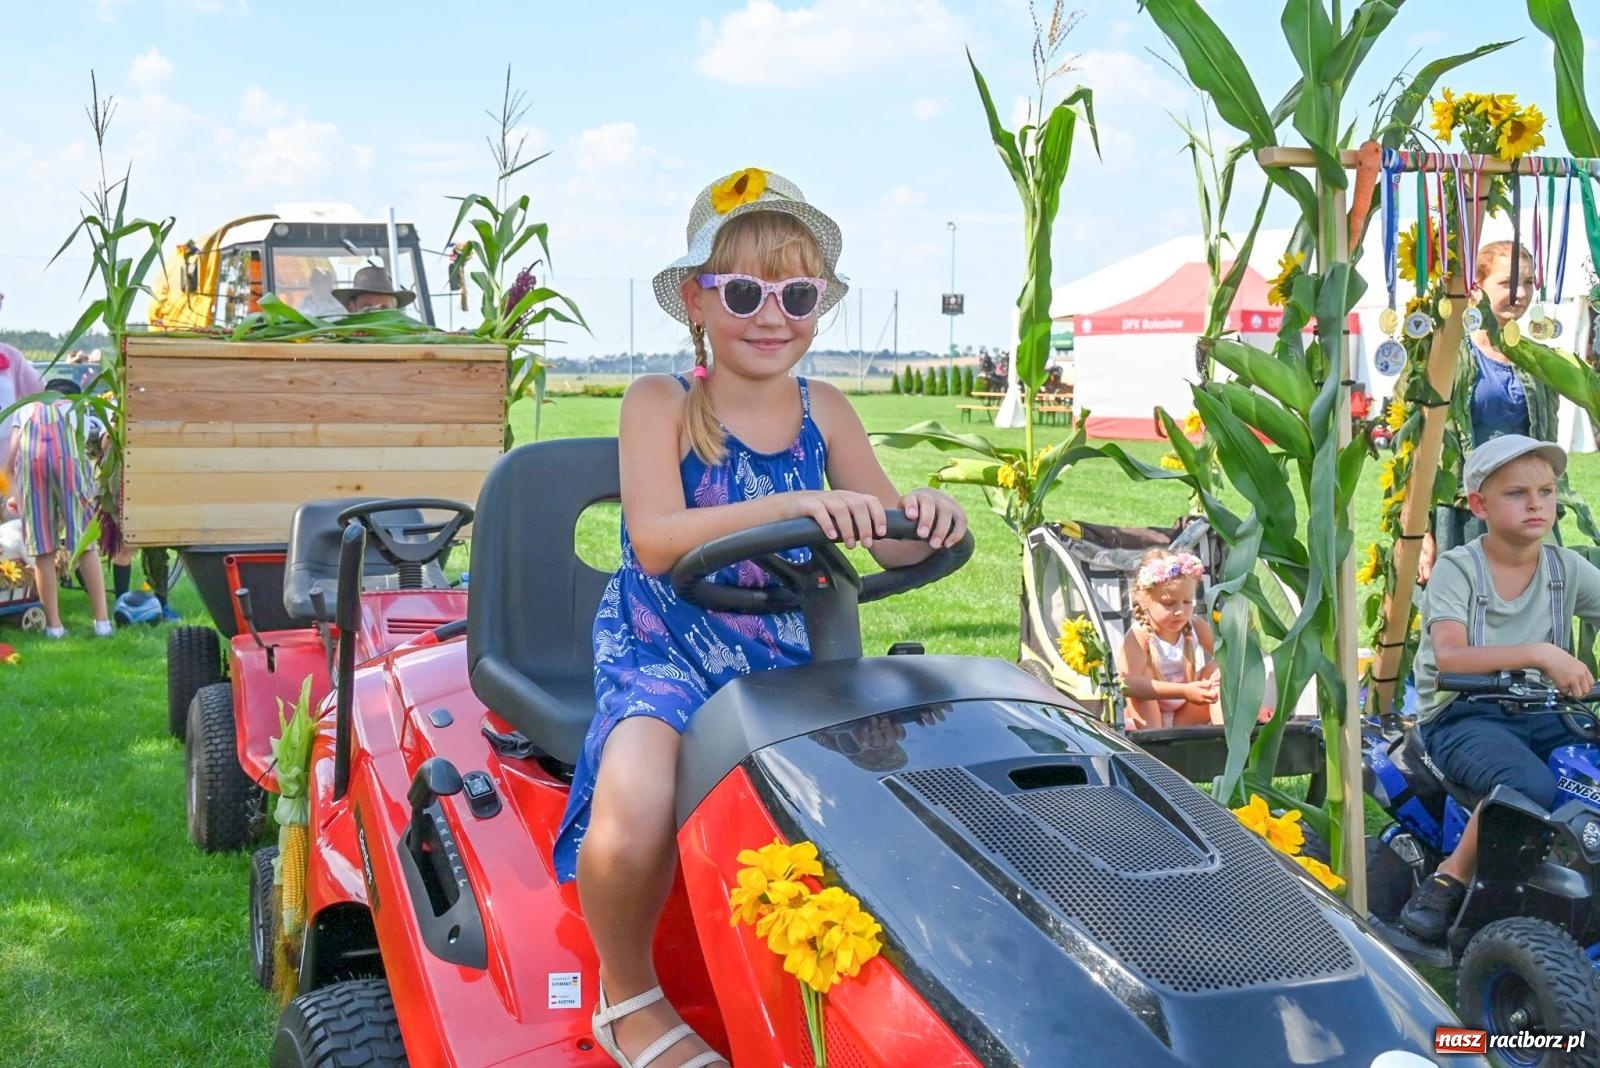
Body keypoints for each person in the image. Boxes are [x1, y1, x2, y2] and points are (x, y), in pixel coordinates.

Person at [555, 168, 967, 1068]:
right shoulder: (658, 405)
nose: (770, 313)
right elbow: (659, 541)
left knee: (904, 766)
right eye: (743, 291)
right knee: (633, 799)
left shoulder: (830, 412)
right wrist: (806, 503)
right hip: (665, 650)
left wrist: (927, 515)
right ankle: (627, 999)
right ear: (698, 302)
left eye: (796, 293)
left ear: (821, 305)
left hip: (788, 651)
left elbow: (891, 538)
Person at [1398, 436, 1600, 942]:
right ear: (1479, 505)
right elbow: (1452, 656)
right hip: (1464, 714)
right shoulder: (1459, 569)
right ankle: (1451, 877)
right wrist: (1541, 653)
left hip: (1547, 712)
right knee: (1528, 786)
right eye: (1516, 493)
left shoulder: (1566, 568)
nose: (1536, 503)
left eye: (1547, 491)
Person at [1418, 241, 1561, 580]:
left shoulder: (1540, 359)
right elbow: (1419, 448)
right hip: (1467, 514)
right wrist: (1423, 532)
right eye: (1508, 283)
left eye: (1528, 282)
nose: (1521, 293)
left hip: (1527, 515)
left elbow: (1548, 450)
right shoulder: (1448, 355)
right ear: (1476, 288)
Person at [5, 391, 111, 638]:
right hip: (70, 467)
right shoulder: (75, 409)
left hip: (32, 472)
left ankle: (54, 627)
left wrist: (16, 497)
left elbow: (10, 464)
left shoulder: (23, 411)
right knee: (85, 544)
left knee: (43, 549)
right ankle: (102, 623)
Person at [1116, 549, 1223, 730]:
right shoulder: (1140, 634)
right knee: (1143, 675)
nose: (1180, 611)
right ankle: (1156, 748)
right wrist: (1184, 691)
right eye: (1168, 603)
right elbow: (1124, 684)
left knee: (1219, 669)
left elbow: (1227, 652)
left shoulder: (1194, 625)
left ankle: (1226, 740)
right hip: (1148, 719)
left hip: (1186, 714)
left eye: (1187, 602)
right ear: (1143, 600)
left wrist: (1221, 671)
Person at [332, 265, 416, 314]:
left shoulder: (409, 341)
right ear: (352, 308)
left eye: (383, 308)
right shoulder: (335, 340)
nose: (376, 313)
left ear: (394, 310)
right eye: (368, 308)